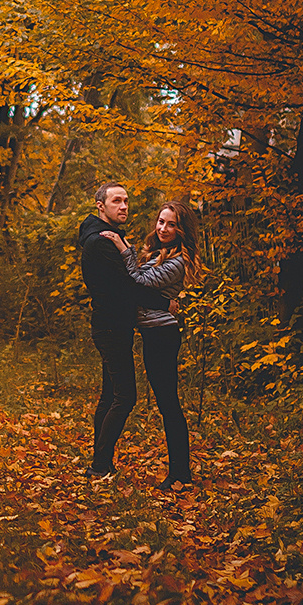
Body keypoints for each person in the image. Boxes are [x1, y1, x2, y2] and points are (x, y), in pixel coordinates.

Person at [77, 183, 180, 481]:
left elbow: (129, 281)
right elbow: (127, 287)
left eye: (126, 201)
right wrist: (165, 302)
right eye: (116, 201)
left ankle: (101, 462)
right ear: (100, 206)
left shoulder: (109, 237)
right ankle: (99, 466)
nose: (124, 206)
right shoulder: (100, 242)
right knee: (125, 396)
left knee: (110, 395)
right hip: (111, 326)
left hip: (114, 324)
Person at [121, 200, 201, 489]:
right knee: (166, 402)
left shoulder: (178, 260)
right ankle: (180, 471)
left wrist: (124, 249)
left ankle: (180, 473)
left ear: (182, 230)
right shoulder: (157, 252)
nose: (163, 228)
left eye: (171, 224)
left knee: (168, 403)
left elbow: (138, 280)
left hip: (162, 335)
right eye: (161, 221)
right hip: (153, 332)